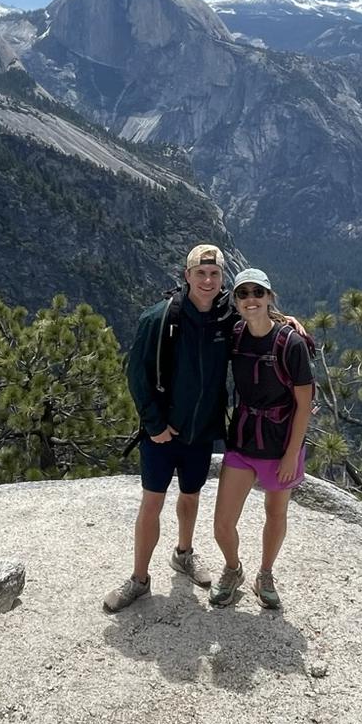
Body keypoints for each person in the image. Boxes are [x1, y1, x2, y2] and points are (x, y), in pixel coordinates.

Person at [103, 243, 236, 613]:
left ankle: (184, 553)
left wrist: (289, 323)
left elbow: (262, 322)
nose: (207, 280)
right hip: (162, 434)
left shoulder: (228, 320)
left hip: (201, 432)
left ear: (222, 277)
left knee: (190, 497)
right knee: (152, 502)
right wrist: (154, 424)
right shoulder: (159, 319)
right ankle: (139, 579)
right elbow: (136, 375)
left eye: (214, 274)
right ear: (187, 276)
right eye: (200, 273)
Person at [209, 267, 314, 611]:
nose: (251, 299)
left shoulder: (291, 343)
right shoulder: (234, 334)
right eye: (243, 294)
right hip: (243, 439)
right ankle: (233, 568)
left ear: (269, 297)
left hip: (280, 442)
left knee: (276, 512)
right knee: (223, 523)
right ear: (236, 300)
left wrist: (291, 454)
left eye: (258, 293)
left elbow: (304, 405)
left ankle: (265, 573)